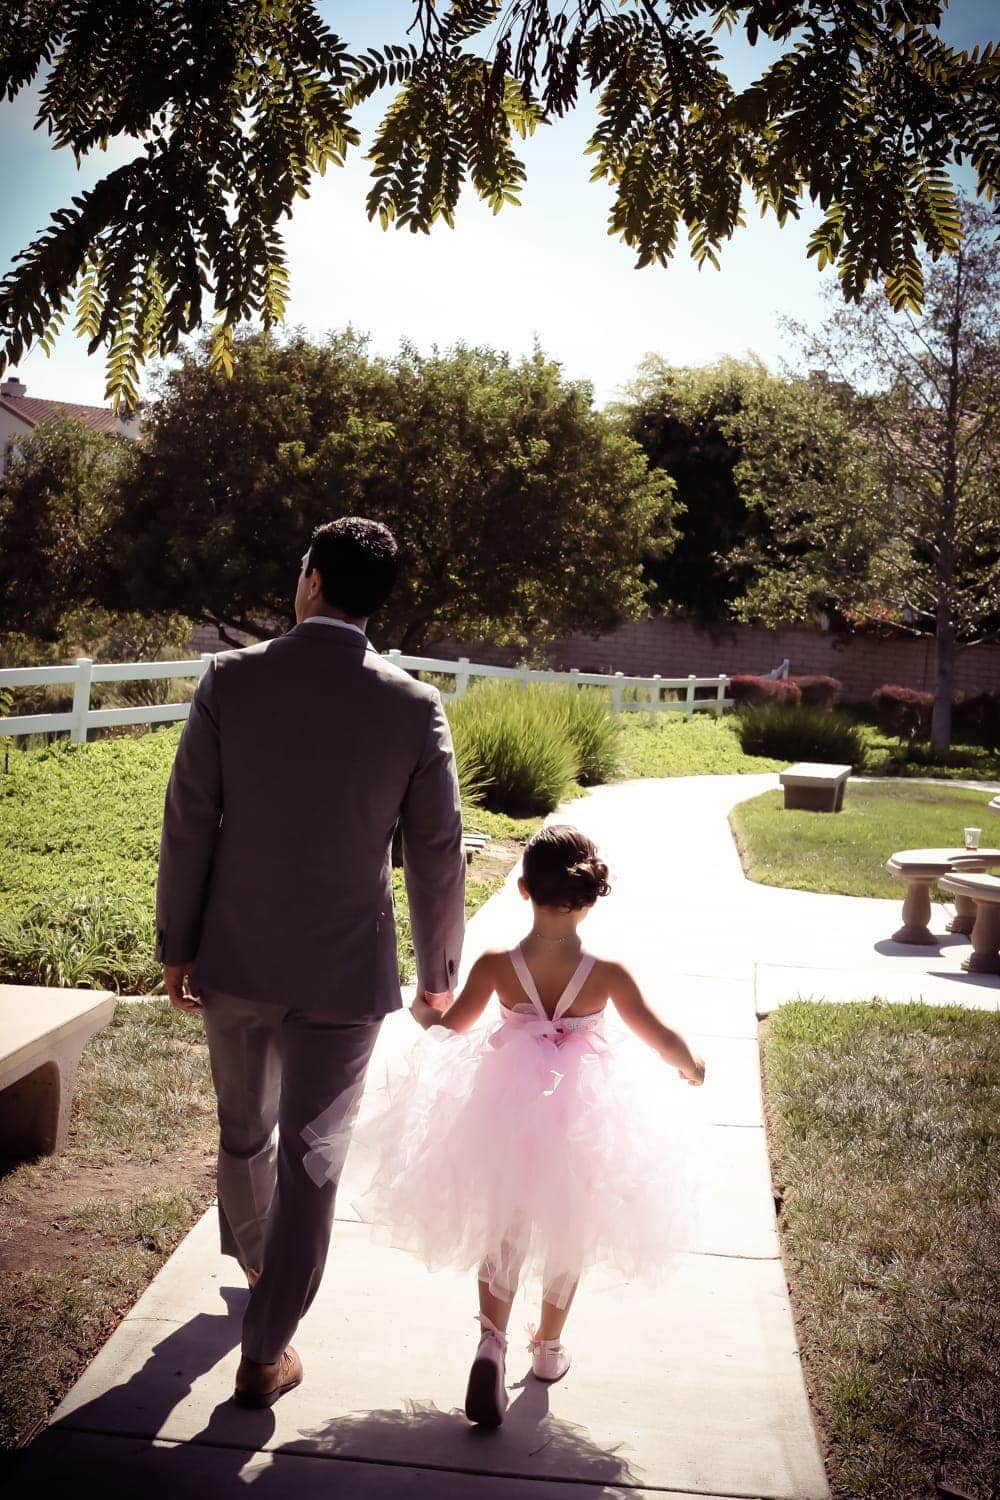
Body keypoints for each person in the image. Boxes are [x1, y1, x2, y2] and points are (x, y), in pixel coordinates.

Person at [155, 516, 466, 1410]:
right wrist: (440, 966)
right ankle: (268, 1344)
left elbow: (188, 821)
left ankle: (261, 1269)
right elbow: (437, 850)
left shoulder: (229, 679)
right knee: (315, 1157)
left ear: (315, 582)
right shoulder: (413, 706)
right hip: (343, 973)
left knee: (244, 1131)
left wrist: (178, 943)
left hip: (235, 962)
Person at [328, 823, 706, 1428]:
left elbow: (450, 1032)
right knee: (568, 1229)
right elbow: (659, 1036)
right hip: (585, 1117)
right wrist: (692, 1064)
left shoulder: (498, 965)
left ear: (523, 889)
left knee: (505, 1229)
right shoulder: (606, 973)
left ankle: (491, 1343)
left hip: (505, 1110)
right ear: (588, 899)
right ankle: (549, 1350)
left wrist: (427, 1011)